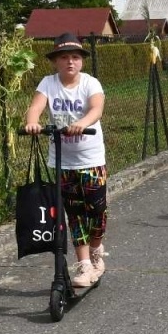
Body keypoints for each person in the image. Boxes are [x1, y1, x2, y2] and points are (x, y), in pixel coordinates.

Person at [23, 33, 108, 289]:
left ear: (81, 61)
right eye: (64, 57)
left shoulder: (90, 83)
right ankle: (83, 265)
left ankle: (96, 249)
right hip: (63, 162)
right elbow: (36, 106)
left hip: (91, 159)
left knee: (97, 211)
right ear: (55, 62)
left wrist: (81, 124)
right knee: (73, 214)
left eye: (75, 57)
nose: (70, 62)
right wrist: (32, 122)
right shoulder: (48, 83)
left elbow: (96, 108)